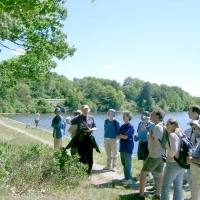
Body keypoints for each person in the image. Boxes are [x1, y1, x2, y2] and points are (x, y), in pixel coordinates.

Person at [66, 105, 99, 178]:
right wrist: (68, 120)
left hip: (89, 138)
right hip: (80, 139)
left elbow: (95, 127)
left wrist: (91, 130)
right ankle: (82, 171)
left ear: (89, 110)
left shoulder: (91, 117)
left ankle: (89, 172)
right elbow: (70, 122)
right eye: (84, 109)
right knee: (81, 155)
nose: (85, 111)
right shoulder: (78, 118)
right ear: (82, 110)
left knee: (89, 156)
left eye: (87, 109)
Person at [139, 107, 165, 200]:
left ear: (157, 116)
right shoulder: (162, 125)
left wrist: (149, 134)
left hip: (154, 155)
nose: (151, 115)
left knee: (143, 173)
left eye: (153, 114)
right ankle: (158, 194)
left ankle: (141, 195)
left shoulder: (157, 127)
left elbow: (154, 140)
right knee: (159, 174)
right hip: (161, 154)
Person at [161, 118, 185, 200]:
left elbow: (174, 150)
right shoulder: (181, 133)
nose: (166, 126)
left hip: (173, 164)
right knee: (178, 187)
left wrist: (167, 158)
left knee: (165, 186)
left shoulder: (172, 135)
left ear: (174, 125)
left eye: (168, 124)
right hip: (181, 164)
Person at [186, 104, 200, 198]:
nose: (188, 113)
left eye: (189, 112)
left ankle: (194, 197)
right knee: (190, 178)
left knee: (193, 179)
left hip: (196, 156)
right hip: (192, 154)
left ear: (195, 113)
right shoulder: (193, 124)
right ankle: (193, 196)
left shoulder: (198, 124)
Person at [117, 111, 134, 185]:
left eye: (125, 115)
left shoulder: (130, 126)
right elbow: (118, 136)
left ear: (129, 117)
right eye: (123, 115)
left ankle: (129, 179)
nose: (123, 117)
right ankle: (126, 177)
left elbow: (126, 136)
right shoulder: (122, 126)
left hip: (128, 147)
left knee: (128, 163)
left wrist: (122, 136)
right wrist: (121, 136)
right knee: (124, 163)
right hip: (122, 146)